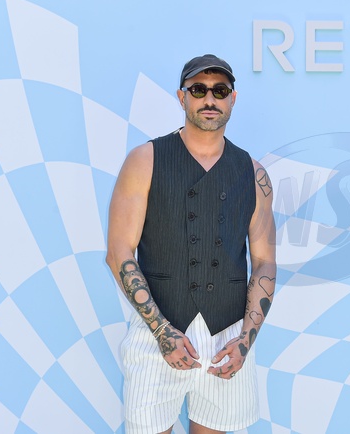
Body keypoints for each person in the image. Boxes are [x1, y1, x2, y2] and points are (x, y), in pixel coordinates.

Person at [105, 54, 276, 434]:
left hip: (227, 335)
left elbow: (264, 261)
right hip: (157, 329)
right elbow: (118, 253)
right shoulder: (145, 160)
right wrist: (162, 331)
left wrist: (245, 340)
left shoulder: (253, 173)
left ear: (233, 98)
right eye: (198, 90)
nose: (209, 99)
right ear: (182, 97)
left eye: (220, 91)